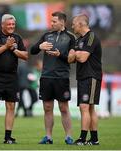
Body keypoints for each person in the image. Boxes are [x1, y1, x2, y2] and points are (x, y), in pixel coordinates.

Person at [30, 11, 75, 145]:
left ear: (62, 22)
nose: (52, 23)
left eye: (54, 21)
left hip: (62, 77)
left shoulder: (71, 37)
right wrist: (39, 46)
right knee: (47, 108)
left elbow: (72, 59)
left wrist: (59, 55)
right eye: (51, 21)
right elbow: (32, 51)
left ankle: (68, 137)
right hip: (46, 77)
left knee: (63, 108)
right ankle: (48, 137)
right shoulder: (46, 35)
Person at [0, 14, 28, 144]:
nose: (11, 27)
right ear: (2, 25)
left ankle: (8, 137)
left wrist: (14, 49)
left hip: (12, 76)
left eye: (13, 24)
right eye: (9, 24)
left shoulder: (17, 38)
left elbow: (25, 55)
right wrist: (5, 46)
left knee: (10, 106)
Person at [68, 14, 102, 145]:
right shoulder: (78, 40)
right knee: (90, 108)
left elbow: (82, 58)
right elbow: (70, 59)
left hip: (91, 76)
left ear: (81, 24)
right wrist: (76, 54)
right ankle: (94, 140)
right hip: (82, 76)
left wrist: (76, 54)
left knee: (84, 106)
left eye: (74, 24)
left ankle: (82, 139)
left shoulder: (91, 37)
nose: (72, 26)